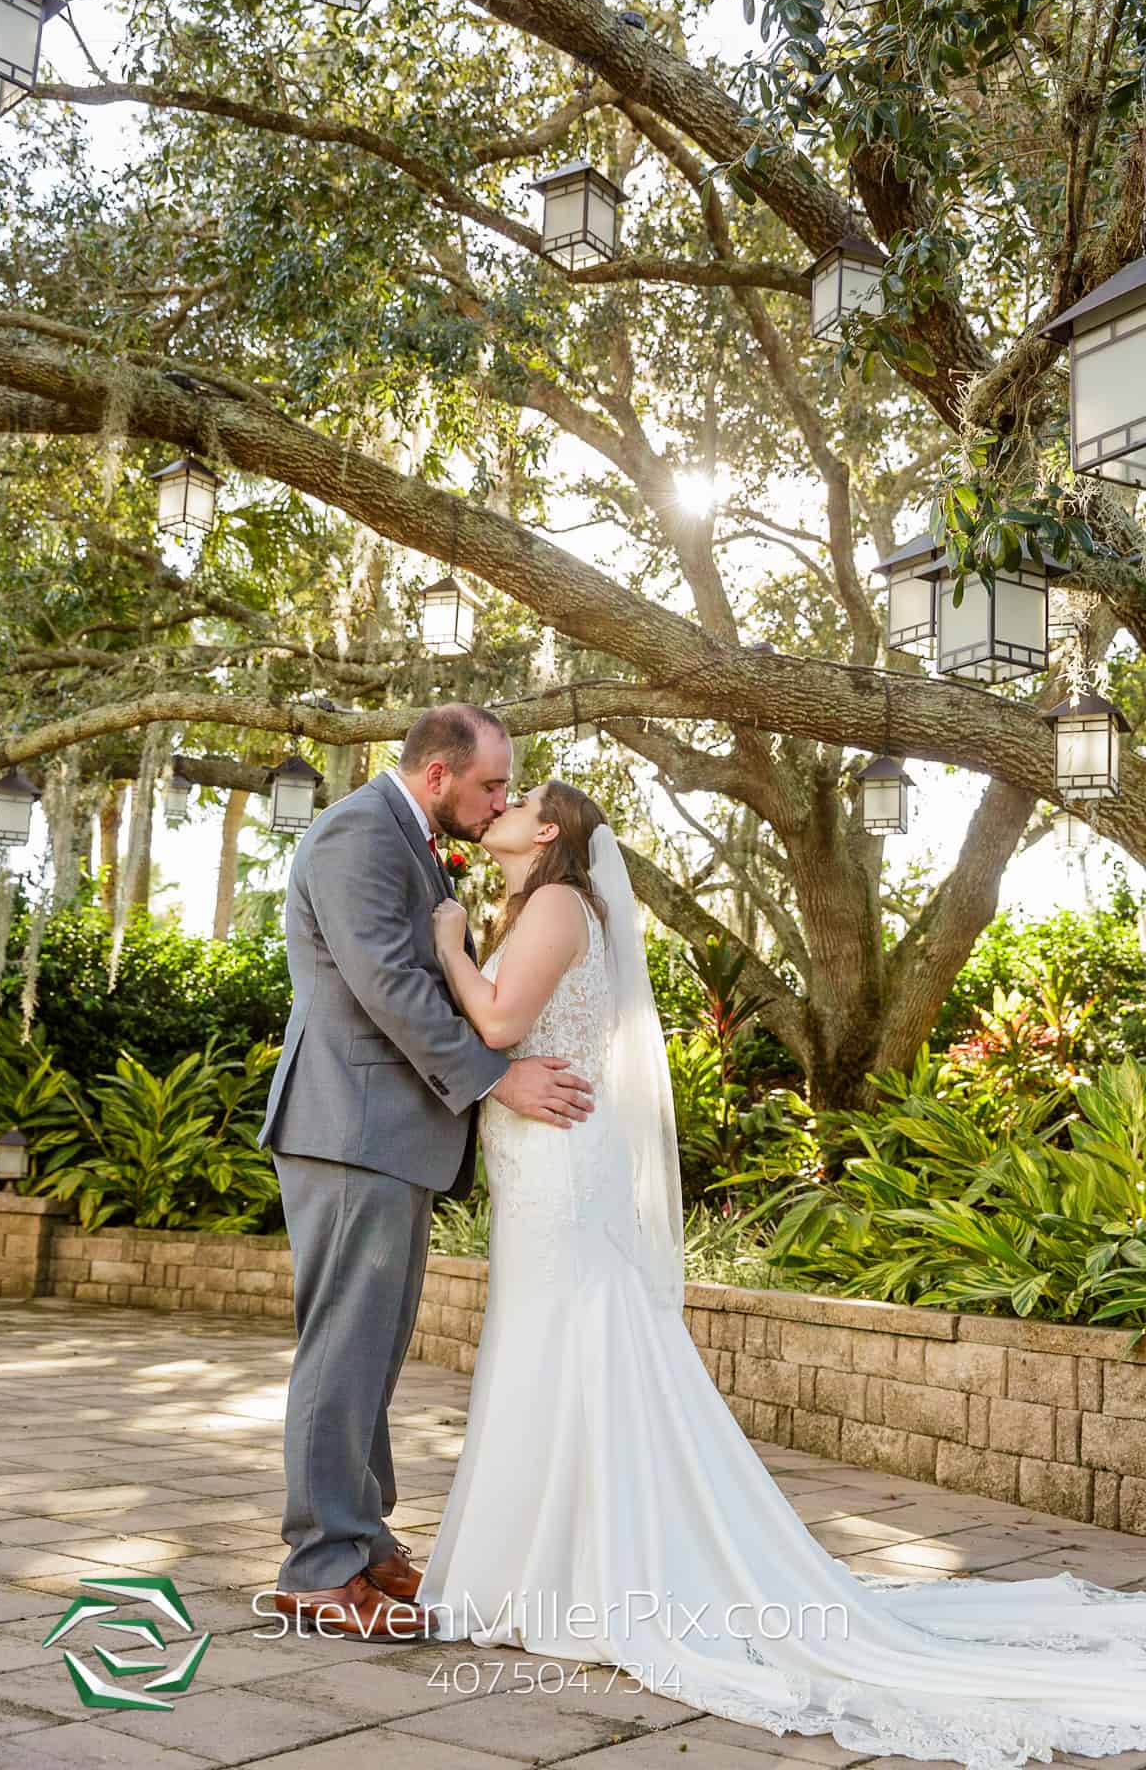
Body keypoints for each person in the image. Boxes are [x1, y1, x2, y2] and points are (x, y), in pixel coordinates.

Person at [421, 777, 1146, 1768]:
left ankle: (578, 1573)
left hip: (557, 1169)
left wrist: (450, 948)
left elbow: (501, 1026)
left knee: (570, 1345)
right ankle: (551, 1565)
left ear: (547, 829)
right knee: (548, 1348)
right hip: (536, 1161)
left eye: (517, 800)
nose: (498, 806)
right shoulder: (542, 904)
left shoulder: (554, 902)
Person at [257, 707, 596, 1640]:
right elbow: (387, 984)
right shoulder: (359, 834)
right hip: (350, 1125)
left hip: (388, 1131)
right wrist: (497, 1077)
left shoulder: (405, 837)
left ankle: (362, 1541)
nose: (498, 803)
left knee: (372, 1348)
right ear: (438, 774)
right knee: (344, 1346)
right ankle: (318, 1568)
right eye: (491, 785)